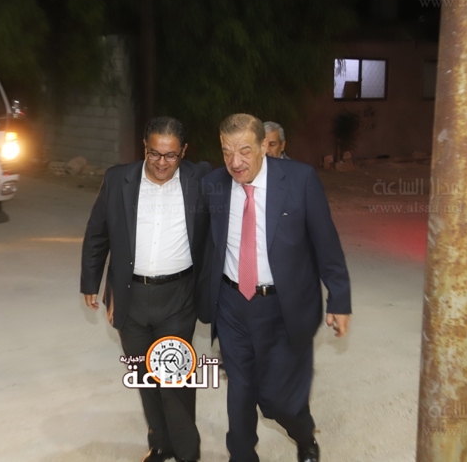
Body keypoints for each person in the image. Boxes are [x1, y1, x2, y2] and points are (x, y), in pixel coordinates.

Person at [201, 113, 351, 462]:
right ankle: (242, 455)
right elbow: (200, 244)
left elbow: (326, 243)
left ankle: (304, 434)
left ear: (264, 147)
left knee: (277, 401)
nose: (235, 162)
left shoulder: (299, 180)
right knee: (240, 391)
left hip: (284, 307)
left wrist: (339, 299)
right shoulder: (213, 185)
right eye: (226, 152)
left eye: (244, 151)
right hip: (232, 304)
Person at [81, 116, 211, 462]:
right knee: (144, 376)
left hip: (178, 297)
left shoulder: (200, 179)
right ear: (144, 147)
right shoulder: (118, 179)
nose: (161, 163)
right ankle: (161, 443)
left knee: (174, 379)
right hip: (130, 295)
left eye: (170, 155)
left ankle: (187, 454)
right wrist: (91, 281)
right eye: (154, 153)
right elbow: (97, 232)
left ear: (184, 151)